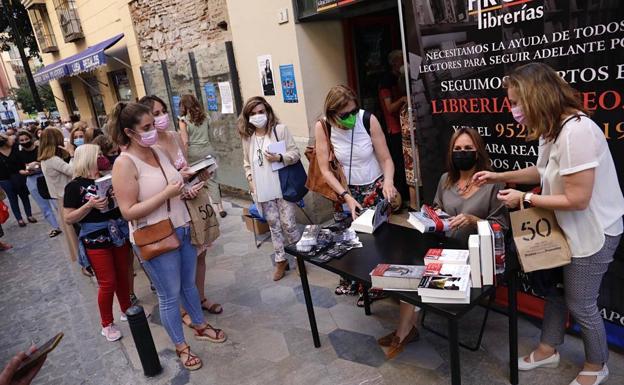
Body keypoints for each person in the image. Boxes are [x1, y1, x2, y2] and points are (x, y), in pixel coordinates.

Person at [474, 62, 624, 385]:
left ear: (536, 97)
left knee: (581, 303)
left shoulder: (578, 132)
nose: (512, 109)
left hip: (593, 230)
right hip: (566, 227)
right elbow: (542, 172)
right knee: (556, 292)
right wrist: (498, 176)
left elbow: (578, 198)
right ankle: (548, 348)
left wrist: (524, 200)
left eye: (516, 102)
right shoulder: (551, 129)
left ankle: (598, 365)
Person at [110, 102, 226, 371]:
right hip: (155, 237)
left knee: (188, 285)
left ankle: (199, 324)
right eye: (147, 127)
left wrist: (195, 176)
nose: (154, 130)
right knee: (170, 294)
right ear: (129, 132)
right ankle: (180, 345)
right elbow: (128, 211)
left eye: (154, 123)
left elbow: (175, 183)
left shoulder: (159, 152)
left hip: (182, 226)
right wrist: (166, 194)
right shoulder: (124, 164)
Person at [379, 127, 509, 359]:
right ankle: (406, 329)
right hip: (443, 248)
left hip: (474, 257)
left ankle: (405, 330)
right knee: (408, 263)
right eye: (457, 149)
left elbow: (501, 228)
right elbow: (437, 210)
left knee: (421, 269)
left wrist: (473, 220)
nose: (462, 153)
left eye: (468, 148)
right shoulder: (445, 180)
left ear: (478, 151)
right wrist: (433, 216)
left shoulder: (492, 183)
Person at [140, 94, 223, 317]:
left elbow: (186, 169)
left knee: (200, 255)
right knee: (178, 262)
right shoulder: (148, 147)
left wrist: (199, 175)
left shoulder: (175, 136)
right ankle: (184, 309)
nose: (161, 117)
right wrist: (180, 182)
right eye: (155, 114)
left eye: (162, 111)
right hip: (170, 211)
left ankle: (200, 298)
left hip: (191, 205)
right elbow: (155, 184)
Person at [314, 85, 397, 301]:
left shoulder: (368, 120)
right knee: (348, 239)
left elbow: (386, 159)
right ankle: (355, 282)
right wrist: (346, 196)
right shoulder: (323, 126)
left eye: (353, 111)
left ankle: (376, 285)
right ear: (332, 113)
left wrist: (388, 182)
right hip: (344, 192)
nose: (351, 117)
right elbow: (324, 170)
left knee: (375, 240)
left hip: (373, 187)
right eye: (344, 114)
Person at [63, 144, 132, 341]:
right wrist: (89, 204)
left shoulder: (108, 177)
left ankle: (126, 309)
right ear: (87, 158)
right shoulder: (74, 186)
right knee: (107, 282)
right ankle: (107, 324)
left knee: (122, 275)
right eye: (98, 154)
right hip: (95, 238)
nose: (102, 157)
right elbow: (69, 218)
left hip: (117, 232)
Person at [238, 96, 301, 281]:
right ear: (248, 116)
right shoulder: (248, 138)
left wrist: (280, 158)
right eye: (253, 113)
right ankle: (281, 260)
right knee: (273, 225)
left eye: (261, 112)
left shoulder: (279, 130)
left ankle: (299, 259)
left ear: (268, 112)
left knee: (289, 224)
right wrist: (250, 179)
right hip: (263, 190)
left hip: (283, 186)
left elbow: (295, 154)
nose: (258, 116)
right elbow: (246, 163)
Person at [178, 94, 227, 218]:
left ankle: (203, 210)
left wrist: (184, 159)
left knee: (195, 181)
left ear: (184, 105)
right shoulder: (205, 117)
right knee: (212, 179)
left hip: (193, 153)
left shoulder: (183, 120)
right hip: (208, 150)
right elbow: (210, 134)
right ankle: (219, 207)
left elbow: (185, 141)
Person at [39, 127, 80, 263]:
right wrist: (72, 154)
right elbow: (74, 171)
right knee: (74, 232)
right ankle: (83, 261)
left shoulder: (46, 159)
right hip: (65, 198)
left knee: (71, 232)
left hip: (60, 197)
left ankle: (82, 260)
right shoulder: (52, 160)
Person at [17, 130, 62, 237]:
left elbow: (48, 162)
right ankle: (56, 227)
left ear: (31, 139)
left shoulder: (39, 149)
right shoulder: (19, 154)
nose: (24, 142)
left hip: (45, 176)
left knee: (56, 202)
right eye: (21, 140)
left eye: (26, 139)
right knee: (44, 206)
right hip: (31, 179)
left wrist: (38, 164)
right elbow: (19, 169)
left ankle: (65, 223)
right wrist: (27, 171)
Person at [379, 50, 409, 202]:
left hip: (403, 126)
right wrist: (403, 99)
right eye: (401, 60)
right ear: (395, 62)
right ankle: (399, 196)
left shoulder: (400, 78)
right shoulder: (386, 81)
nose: (404, 63)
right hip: (394, 129)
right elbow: (389, 107)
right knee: (399, 163)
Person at [0, 133, 35, 227]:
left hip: (19, 175)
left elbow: (22, 161)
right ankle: (19, 219)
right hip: (4, 179)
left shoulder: (15, 148)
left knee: (24, 196)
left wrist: (25, 170)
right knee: (13, 199)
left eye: (1, 138)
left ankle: (29, 215)